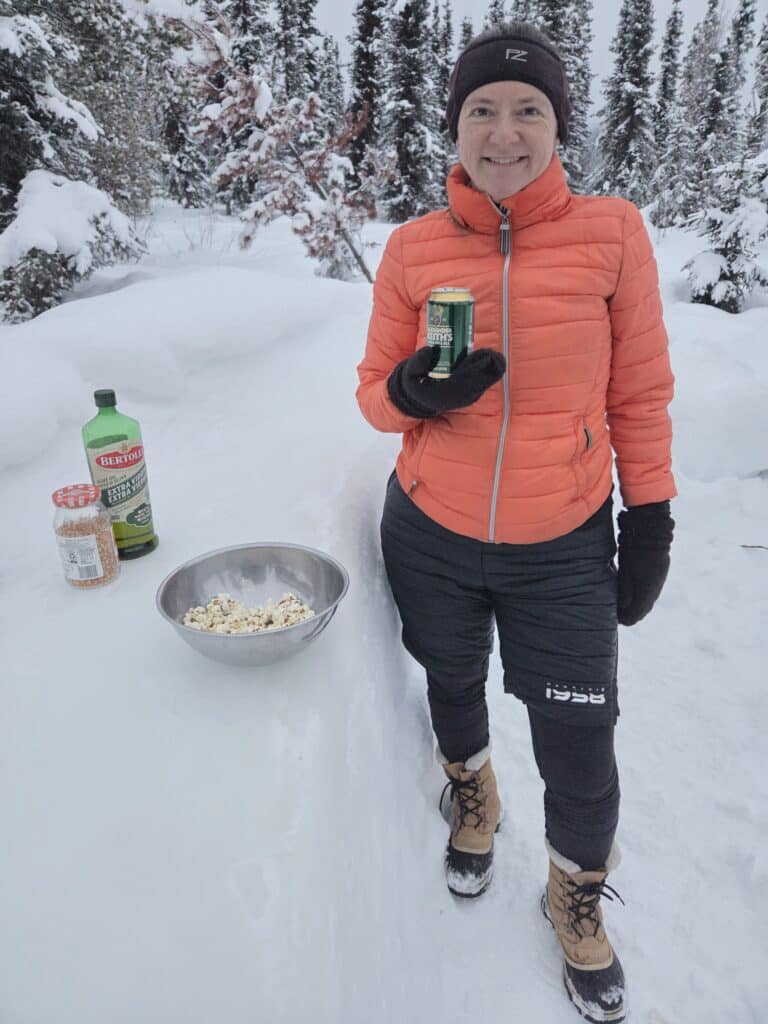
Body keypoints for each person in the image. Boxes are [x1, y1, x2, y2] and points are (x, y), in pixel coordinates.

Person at [356, 21, 675, 1024]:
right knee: (452, 680)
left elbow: (642, 393)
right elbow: (373, 395)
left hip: (564, 541)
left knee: (581, 735)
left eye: (527, 109)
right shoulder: (412, 248)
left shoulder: (612, 233)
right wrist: (413, 388)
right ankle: (474, 795)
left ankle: (575, 891)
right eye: (482, 110)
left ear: (556, 126)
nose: (504, 131)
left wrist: (651, 513)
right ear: (453, 126)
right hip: (434, 528)